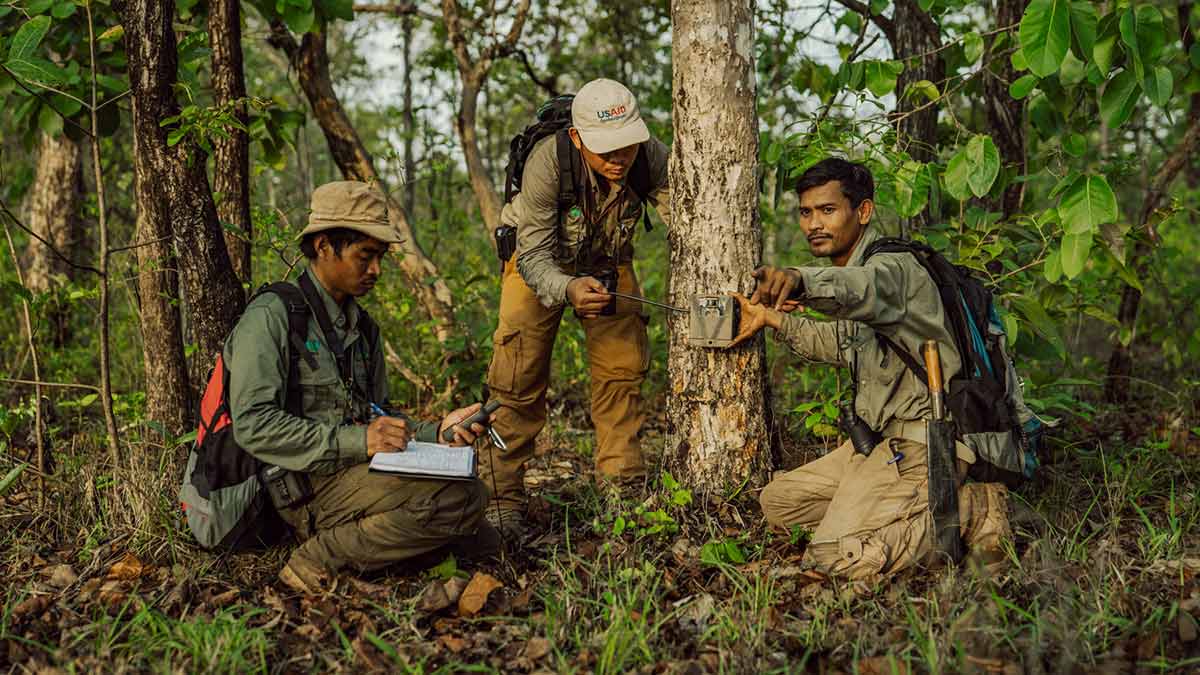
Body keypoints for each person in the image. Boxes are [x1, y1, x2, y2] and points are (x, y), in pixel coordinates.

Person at [730, 158, 1012, 580]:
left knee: (835, 557)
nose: (814, 224)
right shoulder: (857, 274)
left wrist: (800, 281)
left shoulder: (890, 269)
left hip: (925, 446)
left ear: (862, 212)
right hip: (877, 446)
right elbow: (840, 345)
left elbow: (859, 289)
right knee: (779, 503)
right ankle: (887, 512)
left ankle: (973, 509)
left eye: (828, 210)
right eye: (806, 212)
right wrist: (772, 319)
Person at [224, 181, 498, 594]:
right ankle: (316, 558)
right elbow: (253, 425)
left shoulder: (363, 328)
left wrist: (438, 431)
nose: (376, 271)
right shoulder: (273, 316)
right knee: (459, 501)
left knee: (483, 536)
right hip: (303, 487)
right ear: (322, 246)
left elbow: (377, 416)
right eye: (364, 256)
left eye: (380, 257)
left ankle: (382, 549)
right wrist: (358, 441)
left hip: (356, 473)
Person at [482, 78, 671, 537]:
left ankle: (621, 484)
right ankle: (500, 496)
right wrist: (567, 289)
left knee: (621, 371)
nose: (617, 158)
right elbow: (532, 256)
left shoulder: (651, 157)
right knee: (517, 375)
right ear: (577, 139)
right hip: (538, 262)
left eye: (626, 145)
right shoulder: (548, 164)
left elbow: (689, 218)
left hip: (608, 261)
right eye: (605, 148)